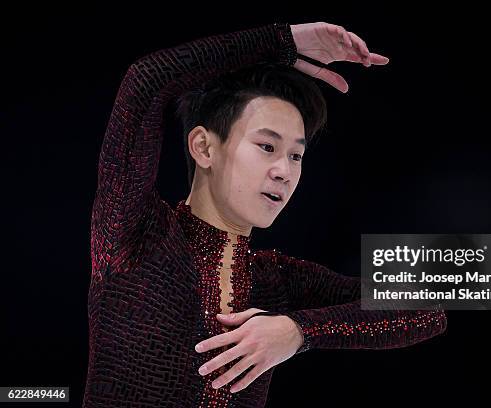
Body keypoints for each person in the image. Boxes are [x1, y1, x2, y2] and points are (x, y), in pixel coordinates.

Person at [84, 21, 447, 407]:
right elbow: (146, 82)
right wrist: (282, 42)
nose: (284, 171)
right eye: (266, 146)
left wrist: (297, 331)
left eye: (295, 155)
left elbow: (426, 310)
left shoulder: (275, 281)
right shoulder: (134, 236)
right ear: (204, 147)